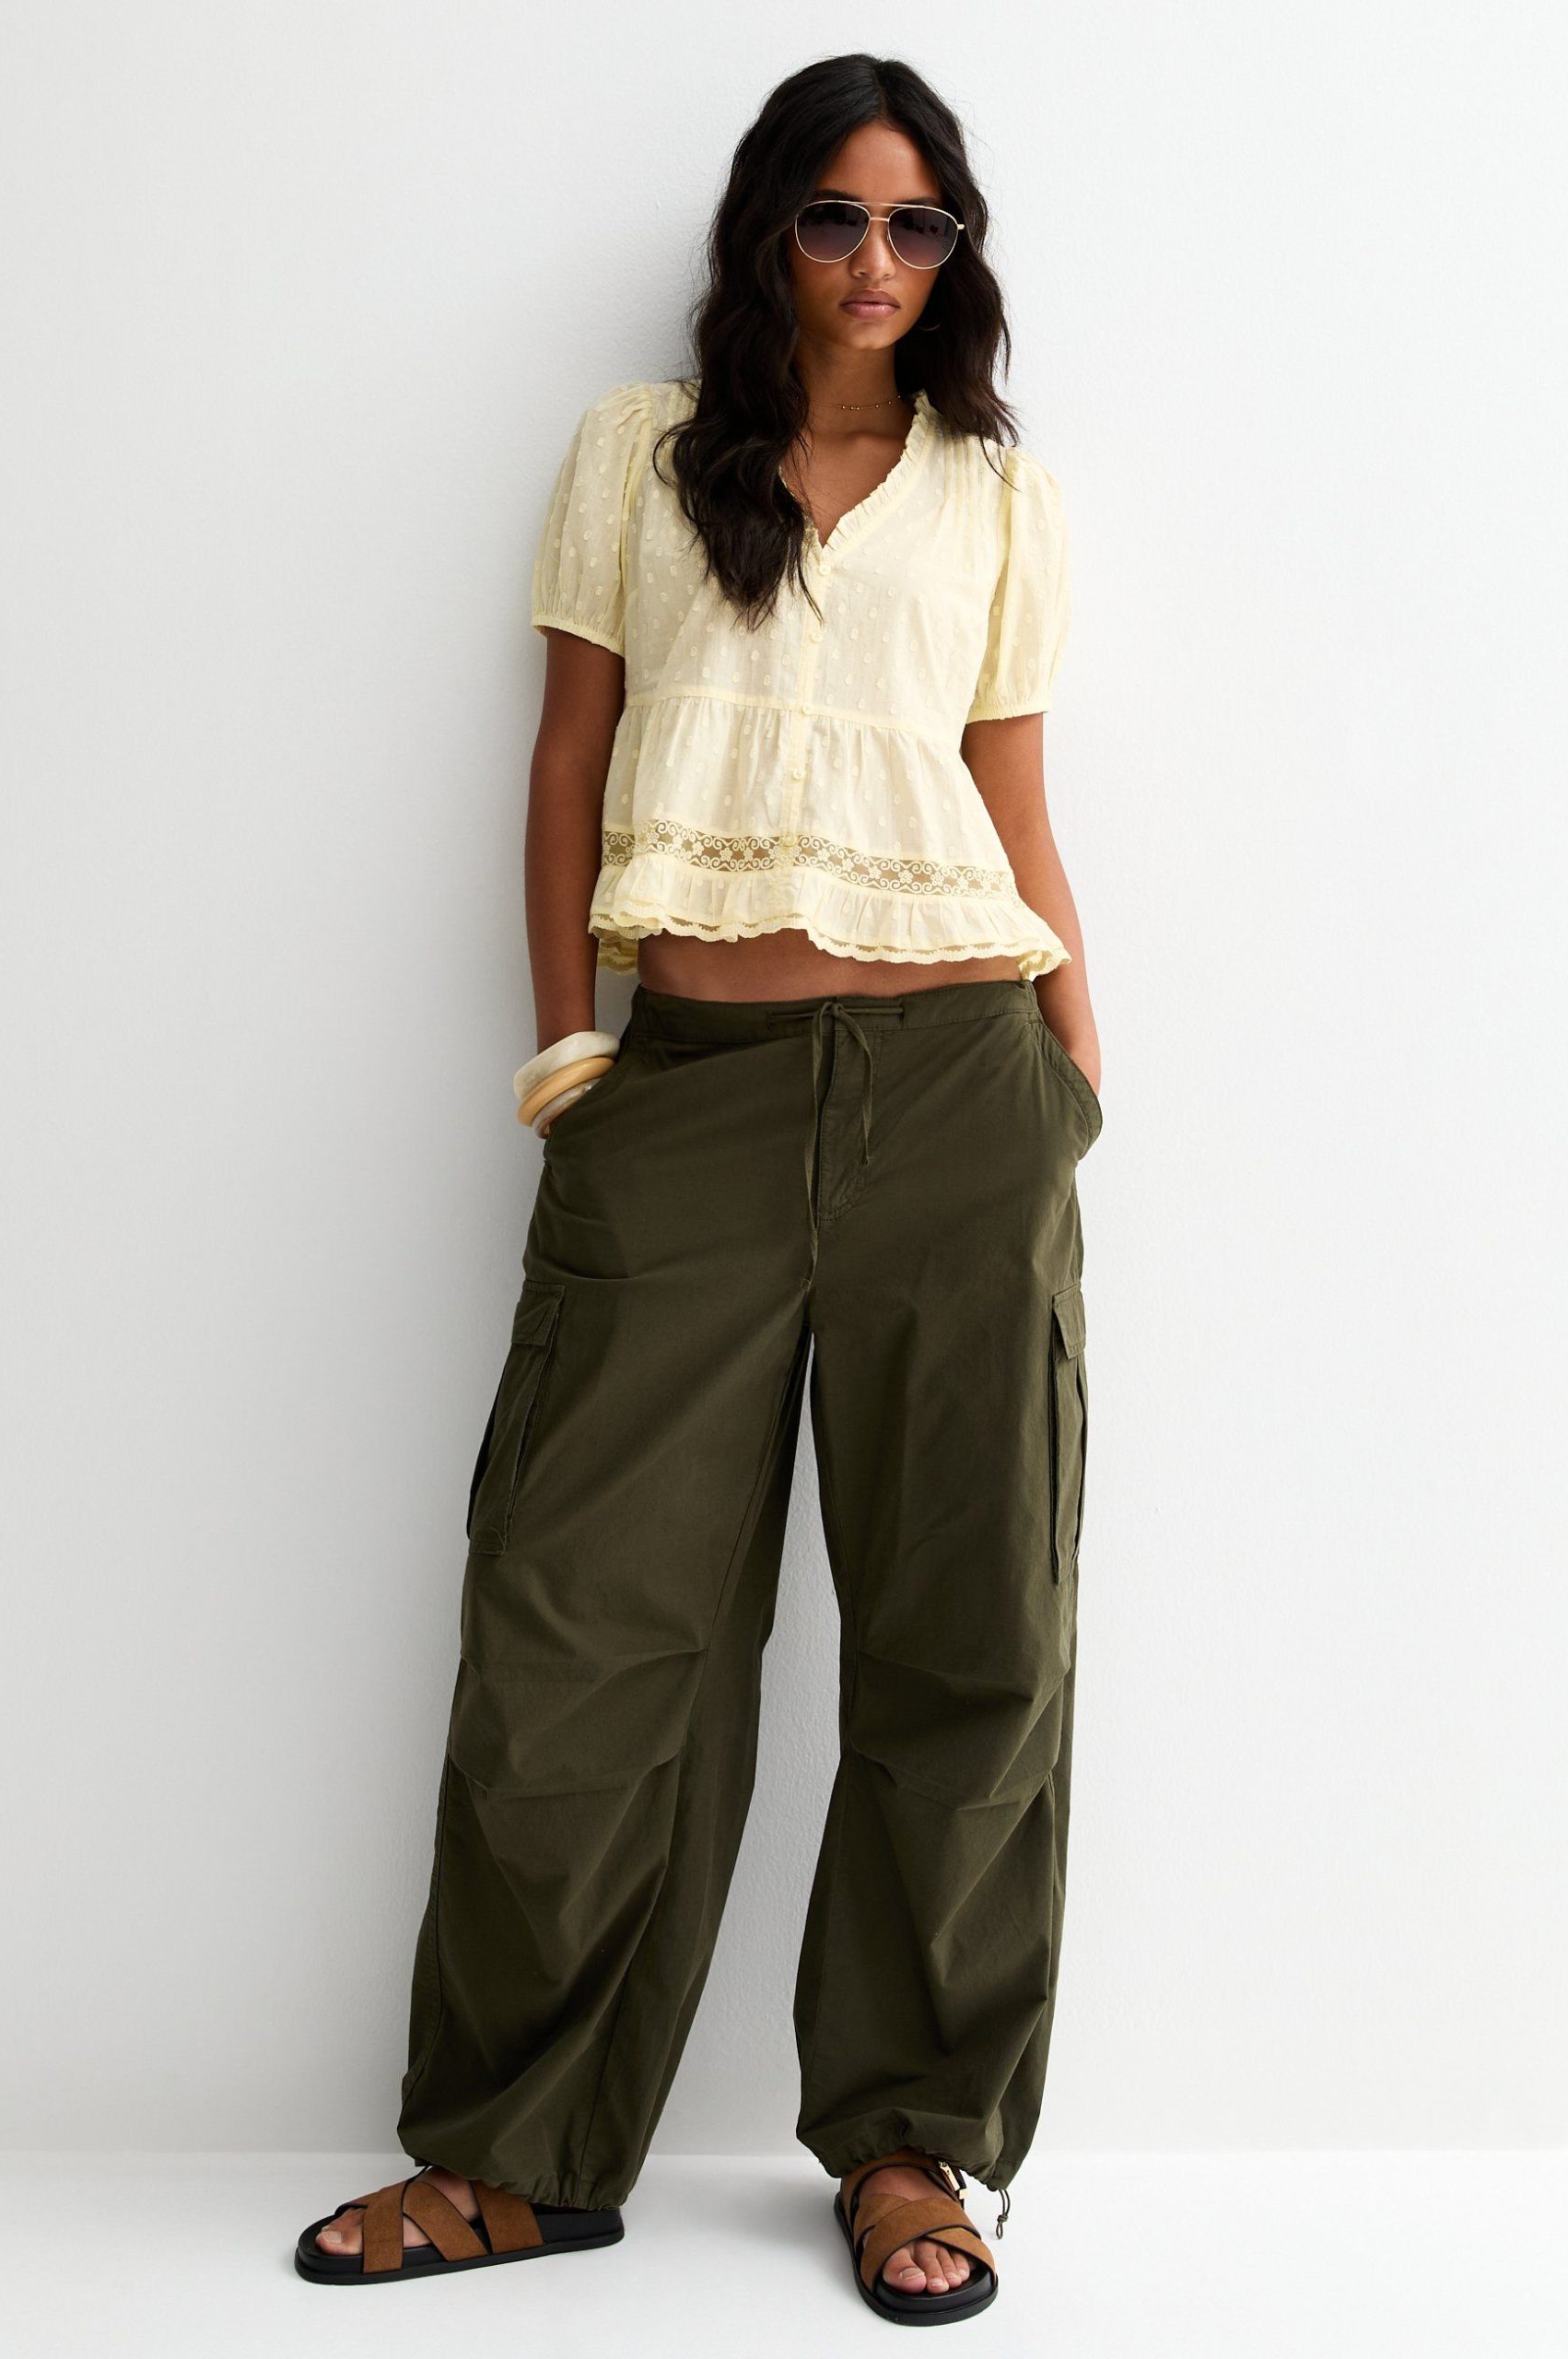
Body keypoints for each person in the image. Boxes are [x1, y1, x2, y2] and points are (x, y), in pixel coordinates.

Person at [292, 52, 1102, 2326]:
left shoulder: (997, 497)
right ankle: (513, 2151)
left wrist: (1071, 1070)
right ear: (770, 231)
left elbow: (1012, 798)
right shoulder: (639, 457)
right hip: (687, 1092)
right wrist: (573, 1047)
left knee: (972, 1630)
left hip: (962, 1087)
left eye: (917, 222)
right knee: (580, 1627)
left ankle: (919, 2145)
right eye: (836, 215)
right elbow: (567, 758)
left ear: (954, 252)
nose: (875, 259)